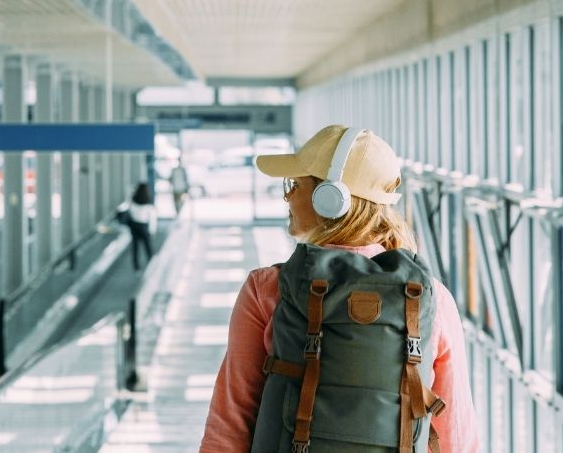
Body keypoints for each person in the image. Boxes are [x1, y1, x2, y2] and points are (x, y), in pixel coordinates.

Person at [200, 125, 478, 452]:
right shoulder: (430, 297)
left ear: (329, 198)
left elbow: (229, 425)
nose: (287, 196)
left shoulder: (268, 289)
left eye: (295, 185)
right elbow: (456, 434)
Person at [127, 182, 157, 270]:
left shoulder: (133, 200)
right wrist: (152, 230)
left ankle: (136, 267)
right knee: (147, 245)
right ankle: (151, 262)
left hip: (134, 226)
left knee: (135, 247)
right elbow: (152, 218)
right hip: (144, 226)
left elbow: (130, 211)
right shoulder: (148, 202)